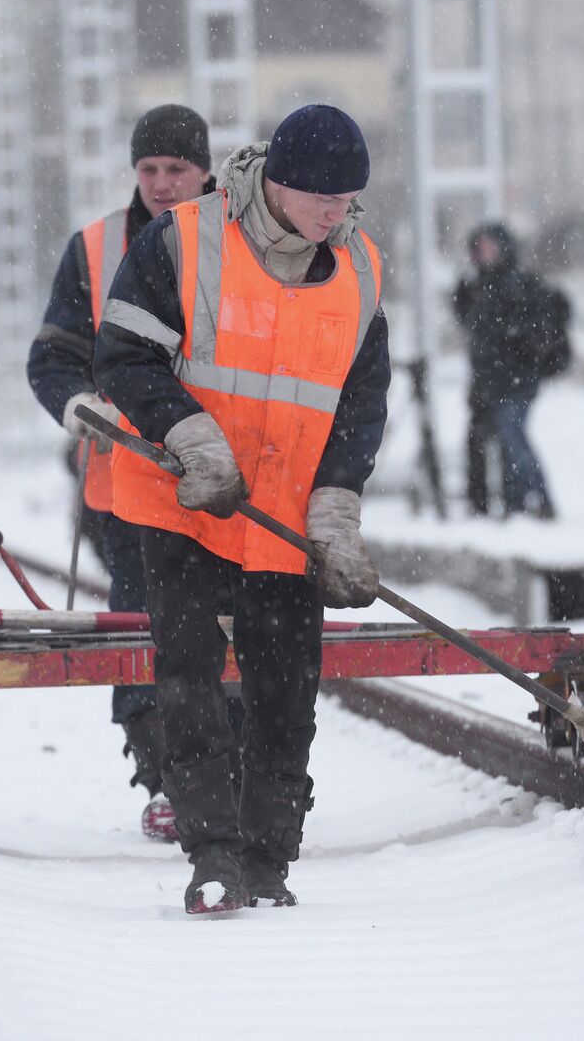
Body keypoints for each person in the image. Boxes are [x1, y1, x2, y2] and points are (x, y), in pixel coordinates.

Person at [96, 105, 390, 912]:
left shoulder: (360, 266)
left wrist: (335, 509)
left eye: (348, 199)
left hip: (285, 519)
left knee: (285, 692)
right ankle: (214, 855)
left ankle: (269, 860)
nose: (336, 214)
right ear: (278, 182)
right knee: (189, 682)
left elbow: (361, 403)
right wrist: (193, 439)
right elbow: (122, 355)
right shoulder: (182, 242)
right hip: (184, 504)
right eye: (321, 199)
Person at [26, 105, 221, 843]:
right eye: (150, 170)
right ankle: (165, 777)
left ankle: (222, 770)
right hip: (127, 487)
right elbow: (52, 356)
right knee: (144, 628)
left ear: (205, 169)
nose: (164, 184)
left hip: (226, 478)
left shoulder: (244, 244)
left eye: (177, 169)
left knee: (229, 631)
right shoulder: (97, 249)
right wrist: (78, 406)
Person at [452, 222, 570, 519]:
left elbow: (537, 329)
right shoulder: (476, 286)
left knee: (511, 436)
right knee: (491, 439)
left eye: (490, 246)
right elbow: (470, 324)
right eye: (480, 248)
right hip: (488, 380)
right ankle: (510, 504)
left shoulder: (517, 284)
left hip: (515, 378)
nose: (484, 253)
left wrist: (516, 343)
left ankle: (537, 499)